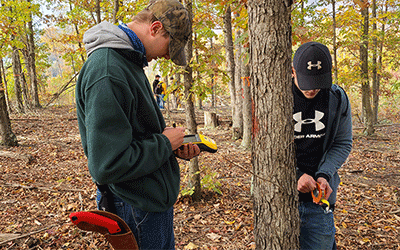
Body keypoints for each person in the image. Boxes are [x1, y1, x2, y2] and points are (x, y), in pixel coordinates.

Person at [75, 0, 201, 249]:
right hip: (133, 205)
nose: (167, 55)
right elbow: (107, 164)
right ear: (155, 28)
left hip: (148, 202)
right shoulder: (108, 71)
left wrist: (171, 147)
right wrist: (164, 143)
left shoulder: (128, 62)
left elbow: (135, 135)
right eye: (169, 46)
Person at [291, 41, 352, 250]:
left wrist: (324, 175)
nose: (312, 89)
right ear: (293, 72)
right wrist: (296, 174)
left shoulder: (337, 98)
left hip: (319, 200)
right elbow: (262, 150)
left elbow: (343, 142)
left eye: (318, 82)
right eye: (307, 82)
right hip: (281, 196)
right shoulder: (275, 98)